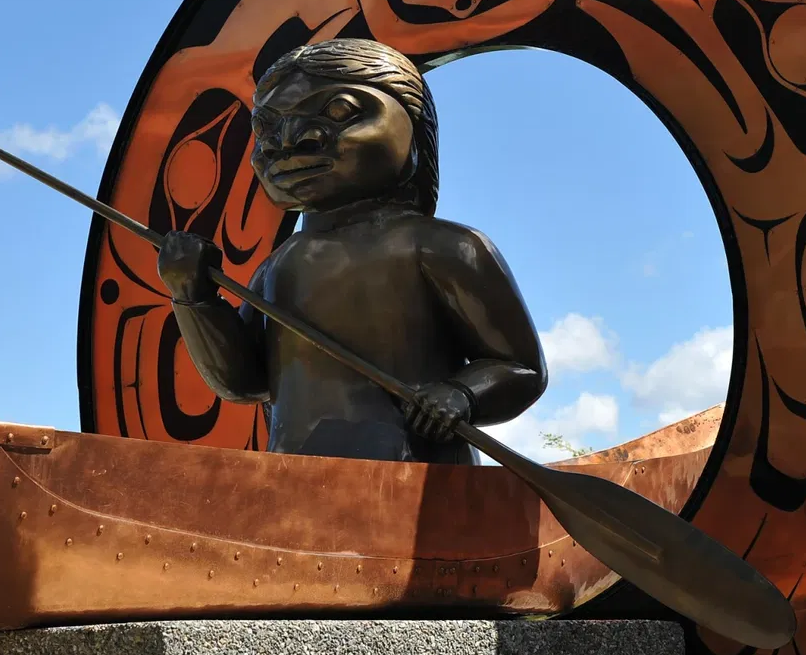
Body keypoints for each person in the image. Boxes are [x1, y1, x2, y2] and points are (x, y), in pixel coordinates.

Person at [156, 38, 546, 463]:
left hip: (419, 477)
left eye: (340, 111)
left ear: (414, 130)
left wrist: (462, 393)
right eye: (266, 127)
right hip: (294, 477)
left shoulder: (442, 246)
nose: (288, 140)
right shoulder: (279, 265)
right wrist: (194, 298)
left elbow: (520, 367)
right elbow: (243, 380)